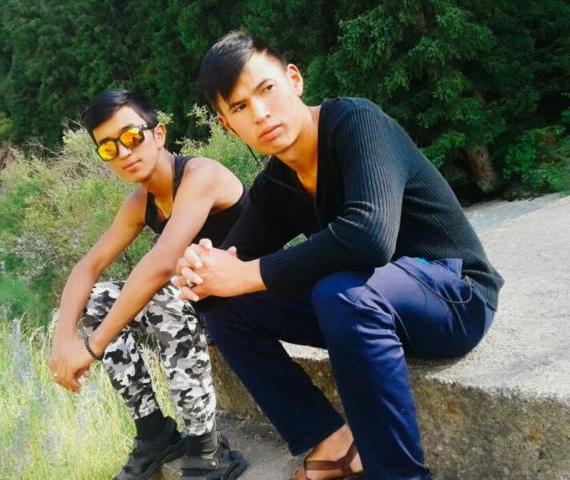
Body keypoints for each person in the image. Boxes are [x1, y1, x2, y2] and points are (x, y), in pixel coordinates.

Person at [173, 32, 504, 480]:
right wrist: (200, 271)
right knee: (225, 306)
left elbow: (369, 237)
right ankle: (332, 441)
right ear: (228, 124)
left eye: (266, 89)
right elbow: (230, 265)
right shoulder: (277, 183)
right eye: (240, 107)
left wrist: (247, 274)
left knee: (338, 292)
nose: (261, 113)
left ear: (294, 80)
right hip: (371, 309)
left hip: (455, 296)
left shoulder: (356, 123)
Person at [48, 89, 247, 480]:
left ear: (158, 134)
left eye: (131, 137)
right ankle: (154, 432)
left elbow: (161, 263)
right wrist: (63, 340)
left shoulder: (201, 175)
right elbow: (88, 266)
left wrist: (92, 347)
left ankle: (206, 446)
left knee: (162, 291)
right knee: (96, 299)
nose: (124, 152)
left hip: (249, 299)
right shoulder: (141, 203)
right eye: (109, 148)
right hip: (202, 303)